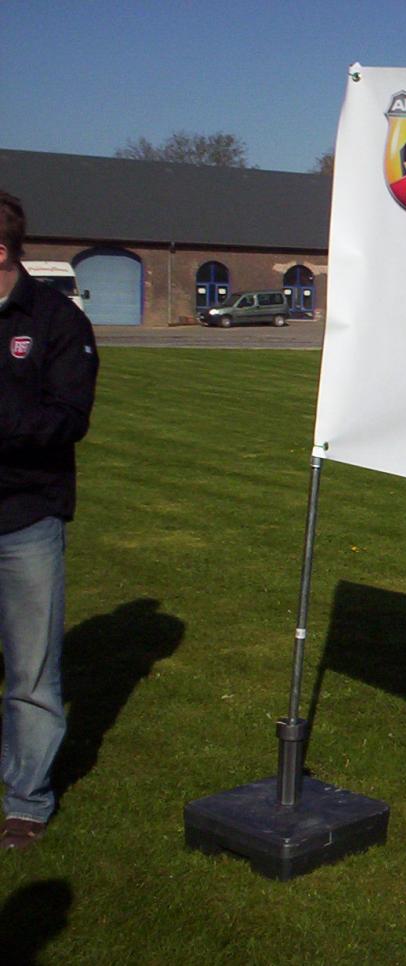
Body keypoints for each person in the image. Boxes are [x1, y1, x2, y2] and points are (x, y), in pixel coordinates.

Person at [0, 191, 99, 850]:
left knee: (31, 673)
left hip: (25, 515)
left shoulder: (56, 319)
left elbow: (69, 418)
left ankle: (26, 800)